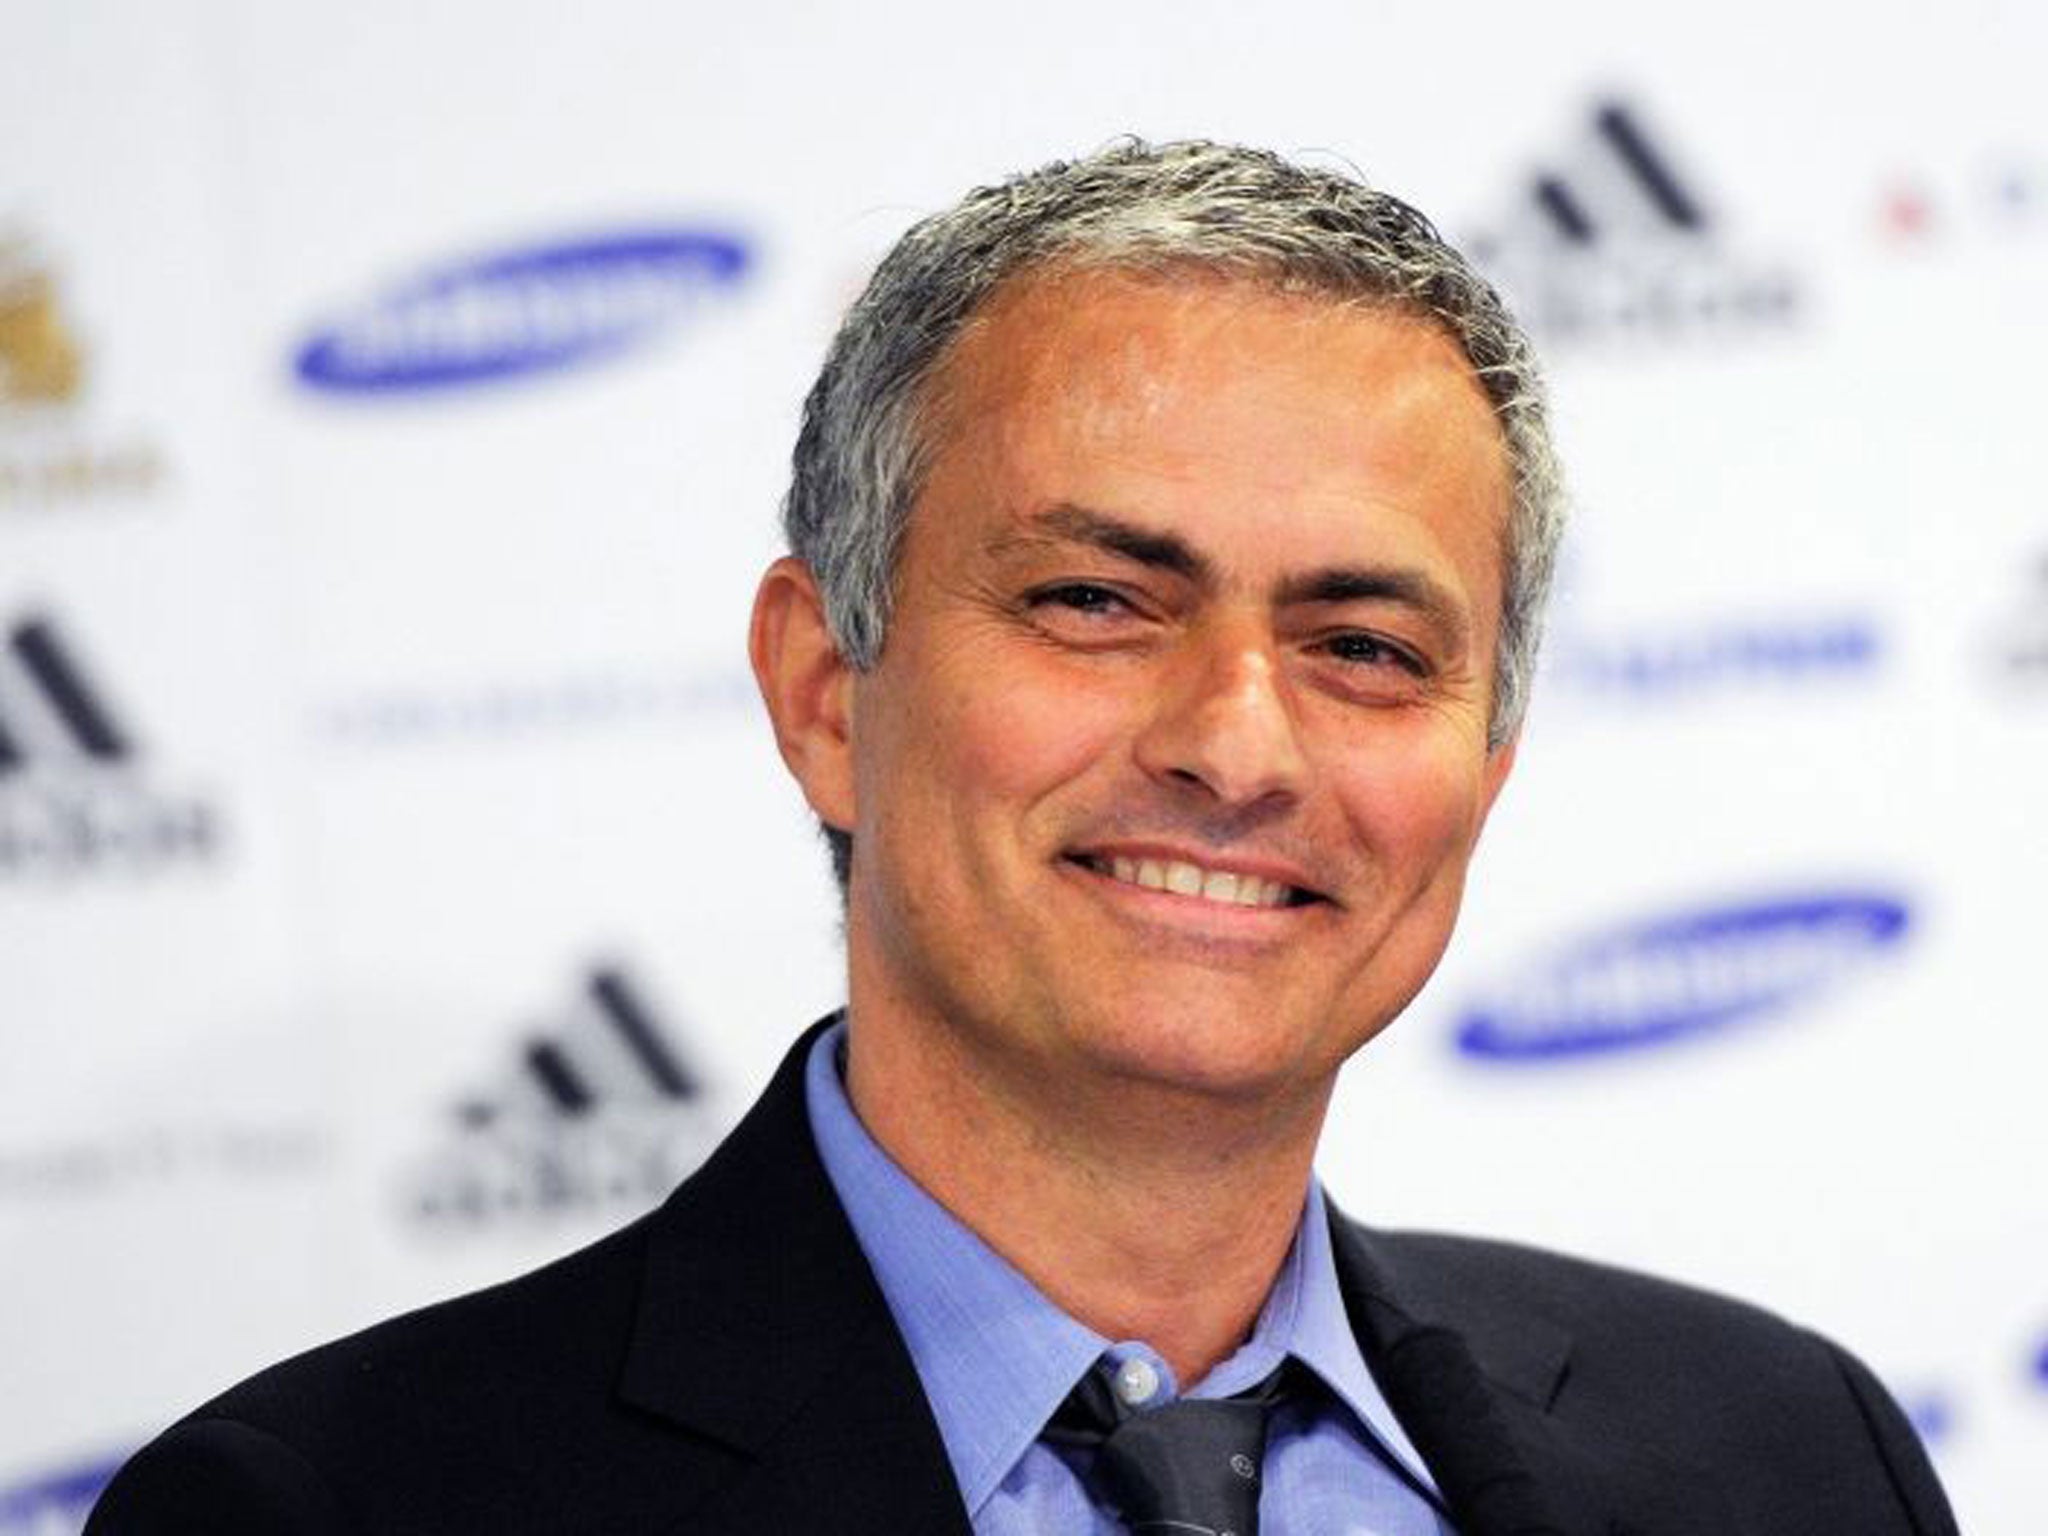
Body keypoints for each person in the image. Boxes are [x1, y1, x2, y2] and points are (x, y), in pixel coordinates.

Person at [88, 140, 1958, 1536]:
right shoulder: (335, 1508)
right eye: (1095, 602)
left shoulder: (1789, 1456)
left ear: (1487, 763)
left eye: (1366, 649)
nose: (1238, 745)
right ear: (827, 690)